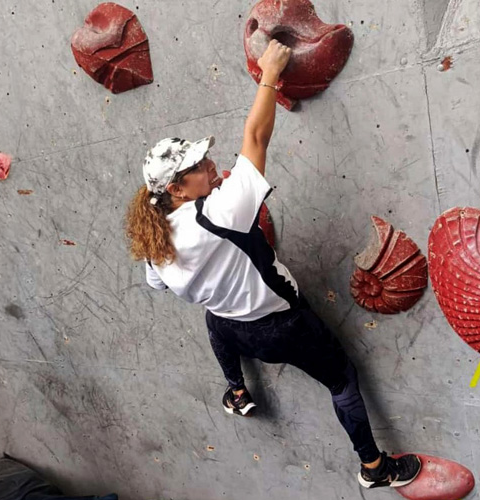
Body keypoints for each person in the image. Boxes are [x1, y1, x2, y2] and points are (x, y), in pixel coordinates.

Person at [125, 40, 420, 489]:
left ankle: (236, 388)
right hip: (283, 326)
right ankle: (374, 468)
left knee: (215, 320)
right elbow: (257, 138)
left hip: (231, 323)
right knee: (342, 380)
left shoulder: (156, 235)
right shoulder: (217, 213)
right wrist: (270, 73)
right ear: (179, 190)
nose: (211, 166)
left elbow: (156, 285)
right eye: (199, 166)